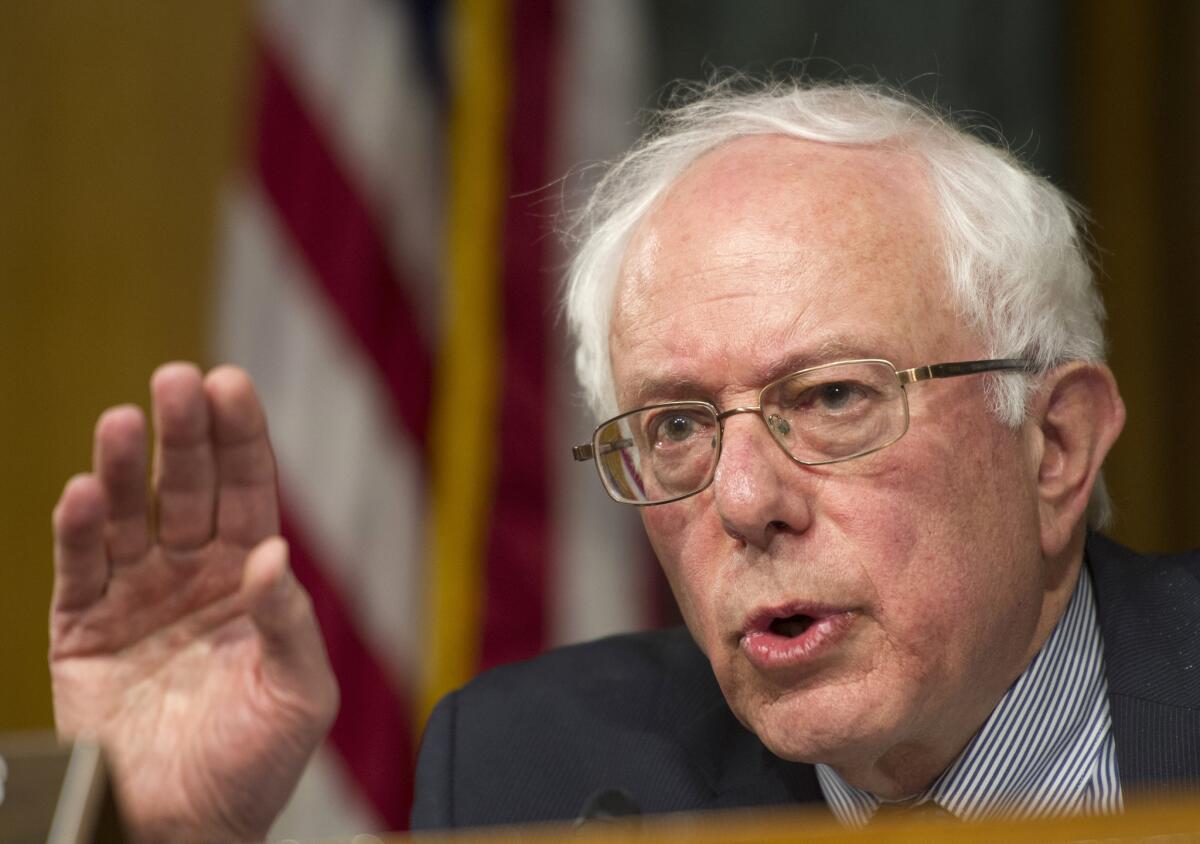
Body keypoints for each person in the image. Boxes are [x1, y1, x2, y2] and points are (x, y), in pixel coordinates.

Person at [49, 81, 1200, 842]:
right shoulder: (530, 771)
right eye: (680, 427)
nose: (743, 501)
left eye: (835, 396)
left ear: (1053, 445)